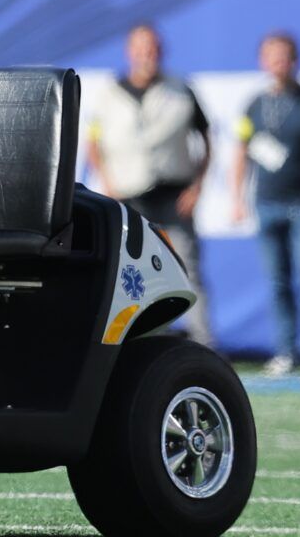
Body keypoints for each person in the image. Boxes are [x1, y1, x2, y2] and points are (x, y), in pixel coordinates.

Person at [84, 23, 213, 344]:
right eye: (141, 49)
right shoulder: (109, 93)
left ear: (162, 51)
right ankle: (134, 342)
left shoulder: (180, 89)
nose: (147, 56)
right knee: (130, 275)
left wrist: (197, 186)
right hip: (128, 196)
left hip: (173, 193)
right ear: (130, 52)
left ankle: (203, 343)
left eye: (153, 49)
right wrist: (107, 180)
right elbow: (93, 141)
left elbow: (208, 138)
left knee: (187, 269)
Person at [232, 31, 300, 376]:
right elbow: (241, 150)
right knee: (277, 282)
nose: (278, 62)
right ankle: (285, 349)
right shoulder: (255, 104)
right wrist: (237, 197)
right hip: (268, 202)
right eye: (271, 55)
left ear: (295, 60)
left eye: (284, 55)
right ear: (262, 61)